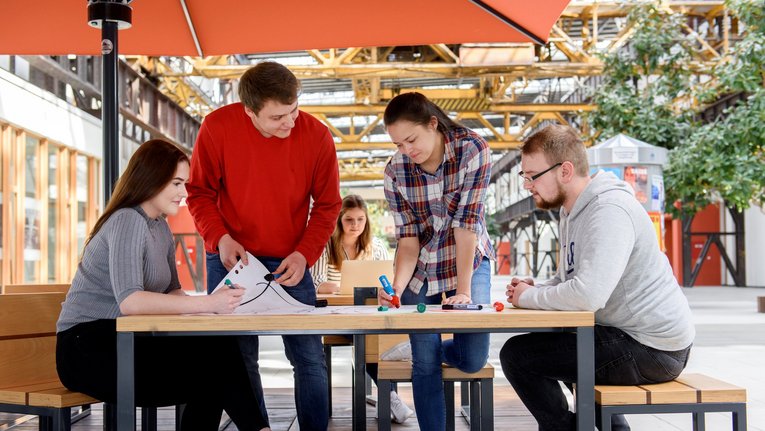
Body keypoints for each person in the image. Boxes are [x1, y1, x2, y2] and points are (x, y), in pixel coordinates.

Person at [56, 139, 270, 431]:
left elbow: (172, 291)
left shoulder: (160, 226)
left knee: (216, 353)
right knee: (214, 368)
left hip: (125, 339)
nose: (184, 193)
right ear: (152, 179)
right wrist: (208, 303)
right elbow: (131, 302)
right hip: (87, 347)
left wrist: (216, 309)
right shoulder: (127, 220)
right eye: (177, 183)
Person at [499, 124, 695, 431]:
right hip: (625, 335)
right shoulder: (572, 210)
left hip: (653, 348)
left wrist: (528, 298)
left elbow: (588, 295)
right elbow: (572, 278)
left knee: (518, 356)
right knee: (558, 347)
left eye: (531, 175)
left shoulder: (608, 210)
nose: (527, 185)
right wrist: (537, 288)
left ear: (565, 170)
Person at [186, 61, 341, 431]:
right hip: (230, 256)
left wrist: (305, 254)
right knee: (239, 359)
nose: (289, 122)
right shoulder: (217, 127)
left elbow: (328, 205)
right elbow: (199, 193)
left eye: (294, 110)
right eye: (277, 117)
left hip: (293, 260)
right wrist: (219, 238)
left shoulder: (317, 136)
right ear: (249, 110)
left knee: (308, 356)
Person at [379, 92, 496, 430]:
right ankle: (423, 350)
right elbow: (408, 240)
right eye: (399, 144)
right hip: (424, 268)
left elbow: (466, 226)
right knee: (425, 364)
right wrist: (397, 289)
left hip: (469, 259)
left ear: (433, 123)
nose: (407, 151)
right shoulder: (395, 172)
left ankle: (427, 346)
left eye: (411, 139)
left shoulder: (473, 150)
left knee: (473, 359)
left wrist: (463, 292)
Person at [309, 194, 414, 423]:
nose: (355, 225)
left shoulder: (375, 246)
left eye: (360, 219)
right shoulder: (326, 245)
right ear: (339, 221)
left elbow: (387, 282)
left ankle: (389, 399)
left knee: (379, 338)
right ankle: (391, 399)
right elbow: (315, 284)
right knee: (367, 340)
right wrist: (346, 287)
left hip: (367, 315)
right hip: (335, 316)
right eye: (349, 219)